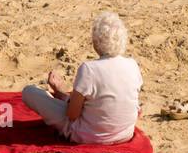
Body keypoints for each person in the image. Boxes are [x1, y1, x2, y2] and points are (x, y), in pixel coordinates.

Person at [21, 12, 142, 145]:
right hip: (124, 134)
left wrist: (60, 93)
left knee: (29, 92)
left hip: (89, 136)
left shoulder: (89, 69)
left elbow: (72, 115)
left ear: (96, 42)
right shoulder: (132, 65)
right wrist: (60, 92)